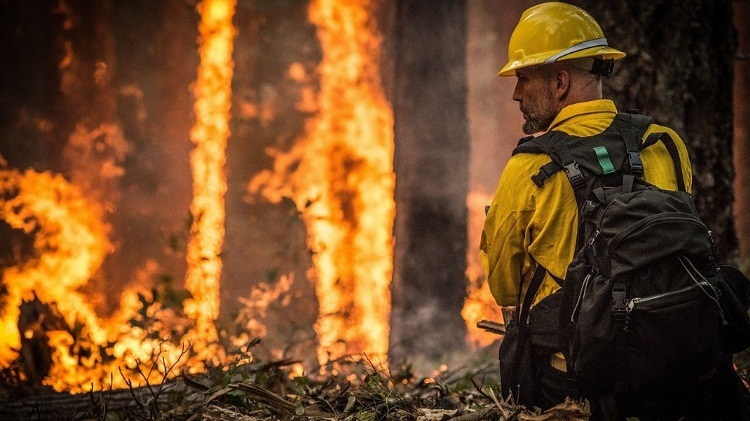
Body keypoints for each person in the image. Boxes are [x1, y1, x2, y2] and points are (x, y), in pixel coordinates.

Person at [479, 2, 747, 419]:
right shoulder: (663, 143)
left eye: (524, 78)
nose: (516, 93)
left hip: (578, 379)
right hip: (680, 360)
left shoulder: (529, 168)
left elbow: (505, 289)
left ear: (560, 81)